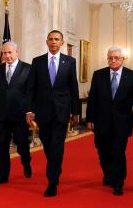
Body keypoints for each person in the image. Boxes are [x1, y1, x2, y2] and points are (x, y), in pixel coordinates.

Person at [86, 46, 133, 196]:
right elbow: (92, 99)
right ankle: (108, 173)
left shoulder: (132, 76)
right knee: (103, 152)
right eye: (110, 58)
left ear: (123, 59)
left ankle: (118, 182)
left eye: (116, 58)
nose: (113, 60)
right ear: (107, 59)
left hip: (122, 122)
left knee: (118, 153)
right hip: (101, 122)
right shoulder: (98, 75)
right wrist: (89, 118)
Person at [26, 30, 79, 197]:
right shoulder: (37, 62)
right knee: (48, 145)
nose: (54, 42)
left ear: (62, 42)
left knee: (57, 145)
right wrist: (29, 109)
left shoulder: (70, 62)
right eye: (51, 39)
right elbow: (31, 88)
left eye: (57, 39)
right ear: (46, 41)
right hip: (43, 112)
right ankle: (55, 166)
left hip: (62, 112)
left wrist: (75, 112)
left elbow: (73, 88)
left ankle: (52, 182)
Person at [0, 41, 32, 184]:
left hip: (20, 115)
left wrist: (30, 111)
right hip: (2, 115)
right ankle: (3, 175)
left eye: (10, 52)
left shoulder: (28, 69)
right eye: (4, 53)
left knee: (21, 143)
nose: (7, 56)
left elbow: (30, 93)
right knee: (2, 145)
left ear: (16, 52)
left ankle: (26, 162)